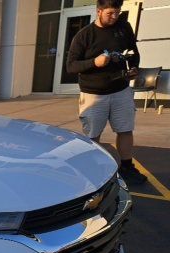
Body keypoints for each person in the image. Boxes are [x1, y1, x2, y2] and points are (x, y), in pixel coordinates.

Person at [66, 0, 147, 184]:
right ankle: (91, 169)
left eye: (117, 12)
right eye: (110, 13)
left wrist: (133, 67)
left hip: (121, 90)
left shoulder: (123, 28)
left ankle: (127, 167)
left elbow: (133, 52)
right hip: (94, 94)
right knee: (93, 135)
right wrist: (95, 62)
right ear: (99, 11)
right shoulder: (84, 35)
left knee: (125, 129)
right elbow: (71, 66)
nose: (114, 17)